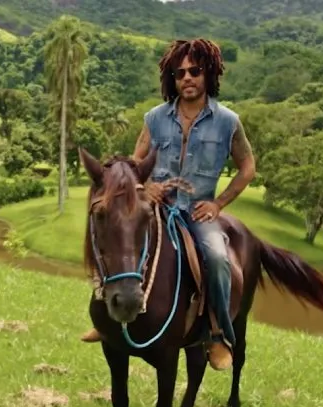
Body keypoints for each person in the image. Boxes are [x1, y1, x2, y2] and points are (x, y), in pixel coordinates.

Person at [80, 38, 256, 371]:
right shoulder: (155, 118)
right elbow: (133, 164)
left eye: (195, 71)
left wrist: (218, 204)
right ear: (171, 78)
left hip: (198, 212)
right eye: (179, 73)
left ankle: (217, 334)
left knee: (217, 259)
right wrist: (146, 187)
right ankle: (106, 323)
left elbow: (248, 168)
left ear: (209, 73)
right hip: (156, 207)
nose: (187, 78)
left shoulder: (228, 122)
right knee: (118, 240)